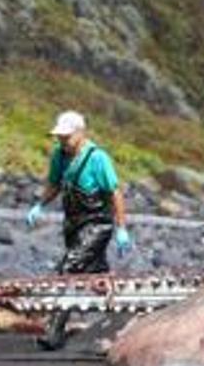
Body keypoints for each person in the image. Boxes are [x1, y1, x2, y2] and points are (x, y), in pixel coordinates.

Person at [25, 110, 131, 350]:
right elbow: (54, 184)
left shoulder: (97, 158)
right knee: (94, 273)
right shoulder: (59, 157)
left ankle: (54, 334)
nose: (62, 141)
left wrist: (121, 228)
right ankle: (118, 323)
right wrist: (39, 205)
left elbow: (115, 192)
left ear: (80, 134)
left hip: (97, 224)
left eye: (66, 136)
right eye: (59, 137)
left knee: (69, 268)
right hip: (73, 224)